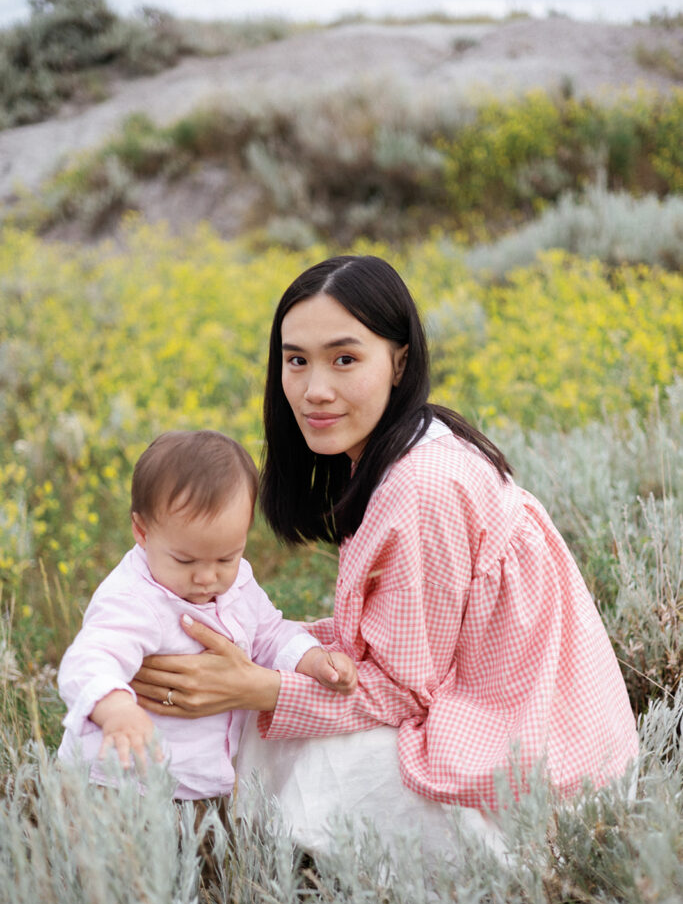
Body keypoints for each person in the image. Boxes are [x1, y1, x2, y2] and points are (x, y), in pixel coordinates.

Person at [131, 256, 639, 854]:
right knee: (250, 696)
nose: (314, 389)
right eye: (296, 360)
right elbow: (389, 644)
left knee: (263, 728)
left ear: (399, 360)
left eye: (345, 359)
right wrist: (249, 645)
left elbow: (403, 692)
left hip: (532, 793)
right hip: (525, 734)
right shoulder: (404, 449)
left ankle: (181, 857)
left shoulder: (421, 487)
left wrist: (257, 686)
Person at [58, 429, 357, 801]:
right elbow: (90, 659)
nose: (206, 577)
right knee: (122, 860)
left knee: (203, 858)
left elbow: (270, 633)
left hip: (201, 784)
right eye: (185, 560)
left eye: (226, 558)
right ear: (142, 531)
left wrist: (313, 660)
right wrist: (116, 708)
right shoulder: (134, 599)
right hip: (120, 786)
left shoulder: (237, 584)